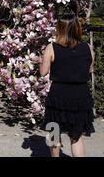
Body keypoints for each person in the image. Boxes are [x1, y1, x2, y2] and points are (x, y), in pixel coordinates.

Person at [39, 12, 95, 157]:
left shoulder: (52, 47)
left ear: (59, 28)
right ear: (77, 28)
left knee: (54, 132)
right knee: (76, 136)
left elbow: (43, 72)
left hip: (59, 95)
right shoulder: (87, 47)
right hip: (80, 96)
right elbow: (89, 69)